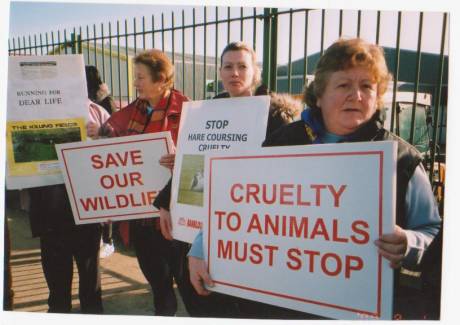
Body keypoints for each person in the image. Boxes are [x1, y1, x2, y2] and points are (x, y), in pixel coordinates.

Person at [188, 38, 441, 320]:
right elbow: (237, 203)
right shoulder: (282, 142)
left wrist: (409, 242)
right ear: (319, 94)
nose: (356, 95)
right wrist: (200, 247)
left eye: (367, 86)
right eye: (344, 85)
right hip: (276, 305)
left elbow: (432, 232)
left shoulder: (401, 160)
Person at [154, 41, 303, 318]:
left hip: (249, 228)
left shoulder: (276, 117)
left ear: (255, 72)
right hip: (201, 222)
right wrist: (166, 201)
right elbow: (194, 164)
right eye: (228, 66)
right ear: (220, 72)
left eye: (242, 66)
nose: (235, 73)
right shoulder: (208, 111)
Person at [98, 49, 206, 316]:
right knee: (159, 287)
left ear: (161, 78)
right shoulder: (128, 115)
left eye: (140, 77)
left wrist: (181, 159)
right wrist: (99, 135)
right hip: (143, 218)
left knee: (190, 288)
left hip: (178, 215)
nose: (135, 83)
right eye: (135, 77)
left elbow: (204, 156)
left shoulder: (189, 111)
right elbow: (112, 147)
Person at [28, 97, 108, 314]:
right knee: (57, 284)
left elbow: (114, 155)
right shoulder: (30, 107)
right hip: (50, 210)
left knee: (90, 277)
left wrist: (102, 133)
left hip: (87, 208)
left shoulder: (97, 112)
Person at [85, 65, 117, 259]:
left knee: (105, 204)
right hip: (92, 163)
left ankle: (107, 240)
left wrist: (102, 131)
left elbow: (116, 127)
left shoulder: (101, 103)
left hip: (100, 161)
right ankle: (104, 240)